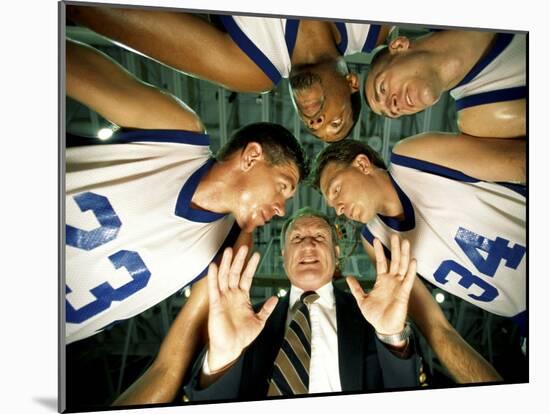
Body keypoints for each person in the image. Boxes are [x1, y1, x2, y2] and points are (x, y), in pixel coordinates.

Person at [66, 37, 308, 372]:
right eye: (283, 186)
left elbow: (178, 361)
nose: (282, 208)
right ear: (252, 156)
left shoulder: (222, 252)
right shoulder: (175, 135)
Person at [311, 133, 525, 381]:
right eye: (332, 205)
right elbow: (438, 332)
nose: (339, 208)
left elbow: (521, 162)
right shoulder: (376, 242)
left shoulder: (412, 159)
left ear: (362, 164)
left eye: (336, 189)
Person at [183, 208, 421, 401]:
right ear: (284, 256)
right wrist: (223, 359)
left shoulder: (372, 319)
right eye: (297, 238)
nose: (308, 245)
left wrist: (392, 337)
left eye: (319, 237)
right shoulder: (245, 322)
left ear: (336, 253)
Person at [66, 5, 391, 142]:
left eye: (311, 128)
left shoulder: (253, 66)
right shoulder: (373, 27)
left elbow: (99, 11)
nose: (315, 123)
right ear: (352, 83)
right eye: (336, 122)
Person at [364, 30, 526, 138]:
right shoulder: (481, 121)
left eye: (382, 88)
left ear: (399, 45)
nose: (393, 107)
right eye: (393, 113)